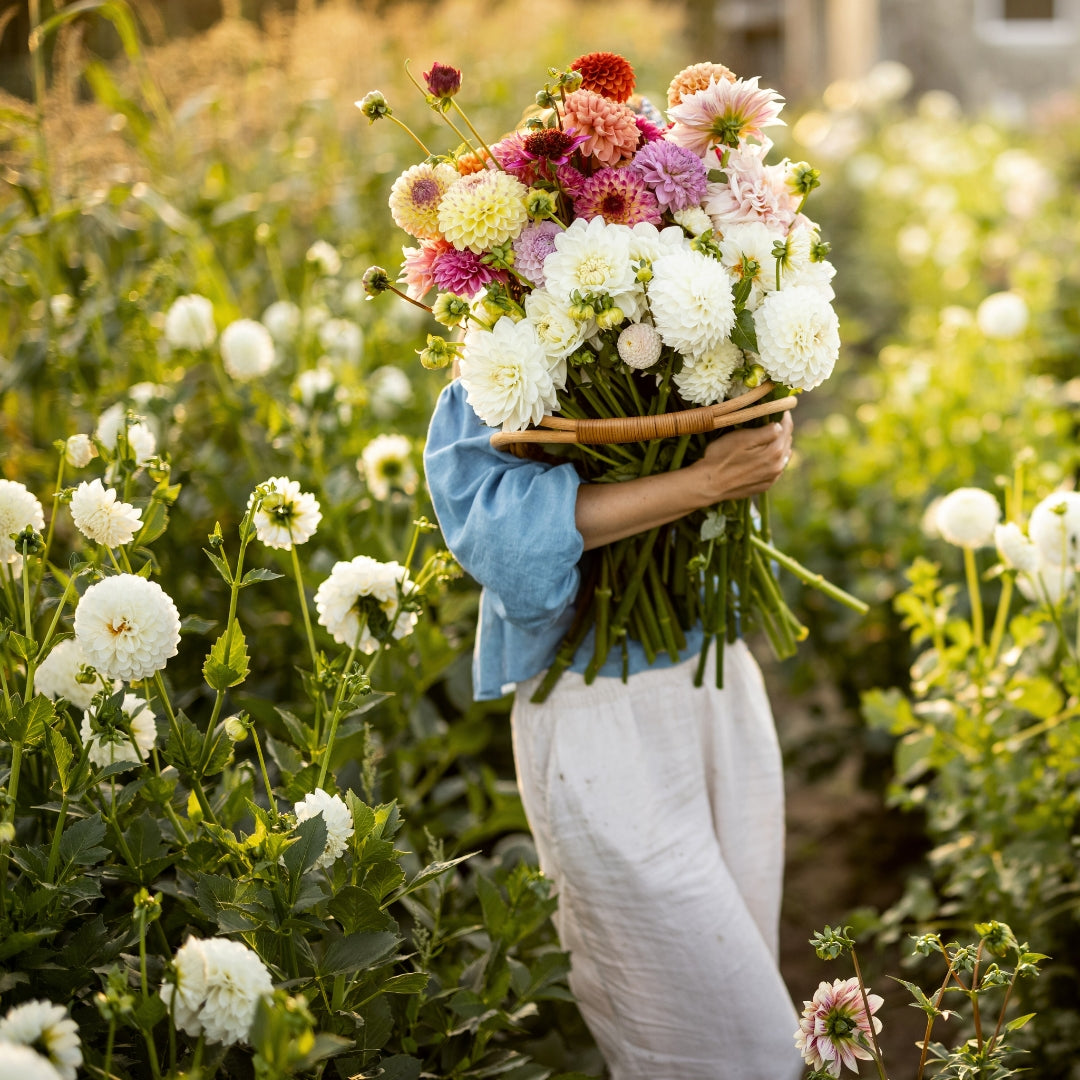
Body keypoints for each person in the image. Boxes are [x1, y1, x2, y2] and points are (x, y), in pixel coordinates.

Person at [423, 373, 804, 1080]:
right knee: (727, 1045)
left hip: (718, 677)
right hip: (597, 709)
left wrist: (764, 428)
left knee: (746, 989)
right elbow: (506, 542)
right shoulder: (495, 352)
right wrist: (703, 483)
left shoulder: (688, 276)